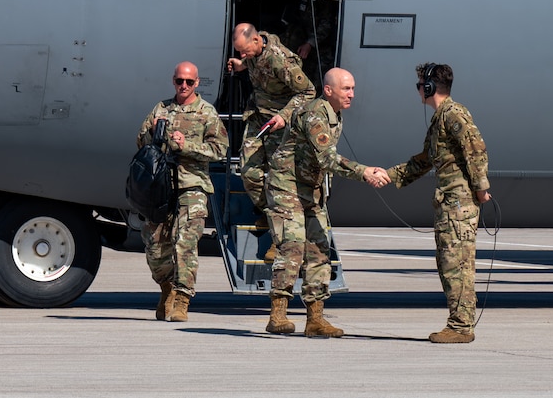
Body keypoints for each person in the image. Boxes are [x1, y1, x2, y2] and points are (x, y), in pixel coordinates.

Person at [264, 67, 390, 337]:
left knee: (320, 248)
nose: (352, 94)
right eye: (346, 89)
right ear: (329, 90)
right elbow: (327, 158)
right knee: (293, 246)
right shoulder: (315, 113)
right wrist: (364, 172)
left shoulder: (335, 115)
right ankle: (278, 315)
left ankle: (315, 319)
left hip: (310, 188)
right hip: (287, 184)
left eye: (353, 88)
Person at [385, 62, 491, 343]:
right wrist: (390, 176)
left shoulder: (453, 114)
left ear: (430, 87)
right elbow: (425, 160)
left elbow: (475, 147)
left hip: (458, 203)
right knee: (448, 262)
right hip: (449, 203)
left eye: (420, 85)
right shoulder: (440, 118)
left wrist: (481, 188)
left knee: (456, 264)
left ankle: (461, 327)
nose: (418, 90)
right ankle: (459, 323)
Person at [136, 61, 229, 322]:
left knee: (185, 243)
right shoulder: (161, 108)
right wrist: (153, 132)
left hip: (193, 186)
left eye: (189, 82)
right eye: (180, 81)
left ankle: (182, 299)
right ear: (174, 81)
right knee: (154, 245)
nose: (184, 86)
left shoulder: (206, 113)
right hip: (161, 187)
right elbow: (140, 141)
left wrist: (185, 145)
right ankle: (166, 287)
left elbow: (219, 150)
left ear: (197, 83)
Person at [227, 23, 316, 262]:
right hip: (259, 118)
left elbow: (307, 92)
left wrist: (284, 116)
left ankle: (281, 242)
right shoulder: (254, 50)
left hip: (280, 124)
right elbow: (252, 62)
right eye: (238, 52)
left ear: (256, 41)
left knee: (280, 183)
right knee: (249, 172)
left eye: (244, 51)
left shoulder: (281, 61)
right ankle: (270, 215)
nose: (241, 54)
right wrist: (242, 65)